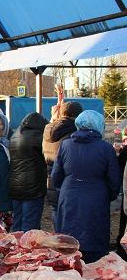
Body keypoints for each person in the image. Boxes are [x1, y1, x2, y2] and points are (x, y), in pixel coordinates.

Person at [52, 110, 120, 263]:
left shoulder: (65, 145)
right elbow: (114, 180)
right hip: (96, 197)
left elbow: (56, 176)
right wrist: (107, 196)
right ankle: (94, 273)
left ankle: (69, 273)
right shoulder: (105, 148)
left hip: (69, 196)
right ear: (99, 126)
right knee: (94, 238)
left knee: (68, 241)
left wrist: (63, 190)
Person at [43, 100, 83, 223]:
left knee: (56, 213)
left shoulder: (48, 129)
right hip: (67, 182)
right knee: (70, 220)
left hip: (51, 180)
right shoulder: (74, 133)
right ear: (77, 116)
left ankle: (58, 239)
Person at [9, 113, 48, 232]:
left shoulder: (15, 136)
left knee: (17, 223)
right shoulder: (37, 137)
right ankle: (26, 250)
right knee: (30, 226)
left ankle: (14, 248)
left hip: (15, 186)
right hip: (32, 188)